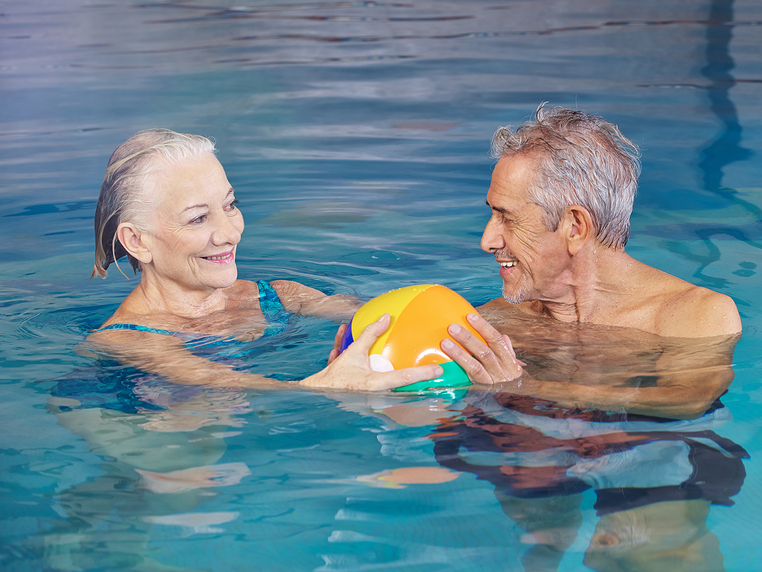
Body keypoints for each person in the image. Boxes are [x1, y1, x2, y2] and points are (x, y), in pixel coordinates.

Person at [86, 128, 515, 391]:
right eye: (198, 218)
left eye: (231, 205)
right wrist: (326, 388)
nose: (229, 231)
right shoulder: (124, 340)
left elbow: (384, 315)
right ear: (137, 242)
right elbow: (223, 381)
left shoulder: (280, 296)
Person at [439, 105, 742, 417]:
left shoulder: (690, 315)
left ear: (575, 228)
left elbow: (687, 400)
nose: (487, 241)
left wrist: (527, 386)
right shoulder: (499, 321)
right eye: (492, 213)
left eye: (508, 218)